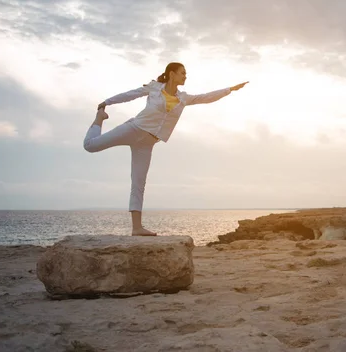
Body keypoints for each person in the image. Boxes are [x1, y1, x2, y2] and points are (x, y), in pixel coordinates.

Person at [83, 62, 247, 236]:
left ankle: (137, 228)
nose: (185, 76)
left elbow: (205, 98)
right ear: (171, 74)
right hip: (134, 129)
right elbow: (130, 94)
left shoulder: (183, 98)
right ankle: (99, 119)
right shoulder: (154, 88)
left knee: (138, 183)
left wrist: (229, 90)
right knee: (91, 146)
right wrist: (107, 102)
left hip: (147, 143)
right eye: (182, 73)